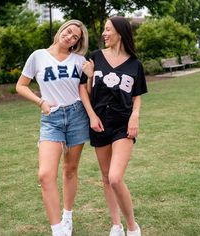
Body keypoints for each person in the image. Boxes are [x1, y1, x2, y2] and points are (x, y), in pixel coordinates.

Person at [16, 19, 89, 236]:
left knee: (70, 169)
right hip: (51, 119)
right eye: (69, 32)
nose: (70, 37)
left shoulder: (79, 60)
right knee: (45, 174)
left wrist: (91, 76)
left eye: (75, 37)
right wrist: (40, 102)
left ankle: (67, 217)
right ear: (61, 30)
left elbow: (87, 91)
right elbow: (20, 85)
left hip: (77, 116)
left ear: (77, 42)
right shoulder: (38, 56)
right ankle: (58, 230)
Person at [80, 16, 147, 236]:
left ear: (120, 31)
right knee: (106, 176)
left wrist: (135, 115)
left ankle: (132, 226)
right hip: (99, 123)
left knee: (115, 178)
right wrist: (91, 115)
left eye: (108, 29)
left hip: (122, 125)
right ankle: (116, 225)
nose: (104, 33)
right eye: (104, 30)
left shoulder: (135, 64)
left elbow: (137, 95)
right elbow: (84, 90)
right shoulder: (95, 58)